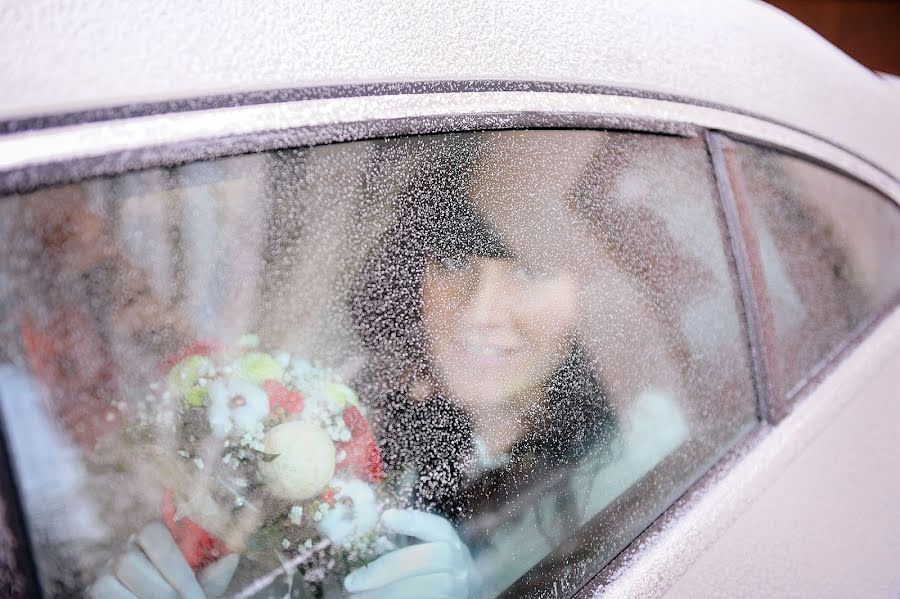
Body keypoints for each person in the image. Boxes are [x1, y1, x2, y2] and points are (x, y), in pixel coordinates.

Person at [89, 131, 690, 598]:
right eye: (456, 260)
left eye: (527, 272)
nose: (478, 312)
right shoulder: (342, 400)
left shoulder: (637, 457)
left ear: (589, 293)